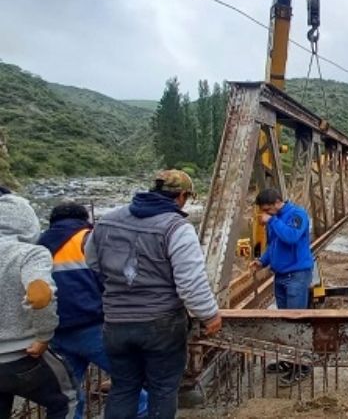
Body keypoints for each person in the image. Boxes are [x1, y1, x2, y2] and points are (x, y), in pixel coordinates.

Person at [86, 170, 222, 419]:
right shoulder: (176, 227)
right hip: (161, 323)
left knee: (123, 388)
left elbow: (92, 265)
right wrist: (209, 315)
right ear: (181, 196)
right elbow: (191, 283)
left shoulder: (107, 221)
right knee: (162, 389)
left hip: (116, 323)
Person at [38, 202, 148, 419]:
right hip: (94, 327)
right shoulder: (89, 239)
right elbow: (114, 280)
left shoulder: (38, 245)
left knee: (69, 393)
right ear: (84, 219)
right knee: (129, 380)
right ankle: (144, 413)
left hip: (56, 332)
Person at [0, 191, 78, 418]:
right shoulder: (30, 253)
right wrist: (44, 336)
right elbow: (40, 297)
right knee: (66, 400)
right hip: (23, 354)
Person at [248, 188, 315, 386]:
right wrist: (262, 261)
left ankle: (302, 366)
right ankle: (289, 360)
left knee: (296, 320)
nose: (265, 213)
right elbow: (274, 245)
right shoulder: (274, 219)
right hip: (281, 275)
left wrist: (272, 221)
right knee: (285, 321)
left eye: (267, 209)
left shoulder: (297, 215)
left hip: (297, 275)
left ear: (278, 202)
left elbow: (291, 236)